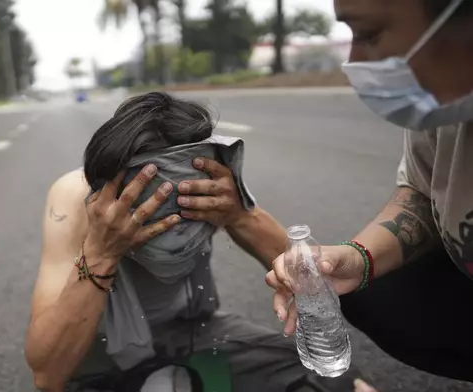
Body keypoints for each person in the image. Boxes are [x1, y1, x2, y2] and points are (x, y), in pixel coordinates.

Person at [24, 92, 362, 392]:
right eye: (152, 209)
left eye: (183, 209)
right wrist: (100, 252)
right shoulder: (76, 200)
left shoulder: (210, 185)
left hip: (192, 330)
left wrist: (238, 215)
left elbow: (311, 281)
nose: (173, 226)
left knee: (341, 381)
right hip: (97, 353)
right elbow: (48, 375)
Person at [267, 0, 473, 386]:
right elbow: (422, 193)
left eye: (369, 34)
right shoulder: (447, 109)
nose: (355, 59)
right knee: (365, 290)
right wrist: (356, 258)